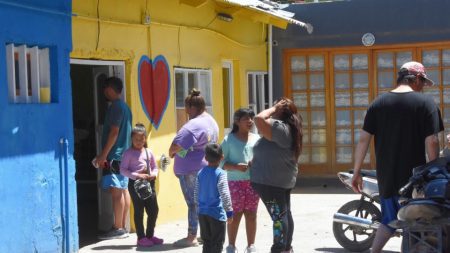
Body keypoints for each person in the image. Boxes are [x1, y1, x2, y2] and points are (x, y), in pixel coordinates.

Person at [351, 61, 443, 253]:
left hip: (387, 176)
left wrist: (357, 172)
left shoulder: (377, 103)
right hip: (414, 179)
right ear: (416, 78)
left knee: (390, 220)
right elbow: (432, 141)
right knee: (415, 222)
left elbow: (363, 140)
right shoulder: (426, 104)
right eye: (423, 82)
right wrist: (434, 172)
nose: (423, 87)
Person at [250, 98, 303, 253]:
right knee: (284, 214)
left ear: (280, 111)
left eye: (274, 110)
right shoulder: (289, 128)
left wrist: (273, 108)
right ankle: (286, 248)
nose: (270, 113)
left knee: (278, 217)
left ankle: (279, 248)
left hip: (270, 182)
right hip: (279, 181)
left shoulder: (280, 128)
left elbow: (258, 119)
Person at [169, 88, 219, 247]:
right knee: (204, 202)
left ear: (191, 107)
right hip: (207, 166)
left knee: (194, 203)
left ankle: (192, 236)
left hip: (191, 170)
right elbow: (199, 146)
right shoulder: (210, 120)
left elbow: (175, 146)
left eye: (187, 108)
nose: (186, 112)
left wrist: (173, 153)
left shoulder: (193, 125)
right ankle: (207, 234)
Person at [96, 76, 132, 240]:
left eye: (105, 88)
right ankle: (122, 226)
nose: (104, 91)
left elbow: (114, 132)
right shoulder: (125, 107)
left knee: (116, 192)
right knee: (123, 189)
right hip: (124, 155)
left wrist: (103, 155)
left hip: (115, 156)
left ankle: (118, 228)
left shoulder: (116, 107)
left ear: (110, 89)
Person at [222, 108, 260, 253]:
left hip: (253, 182)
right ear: (237, 122)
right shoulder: (228, 140)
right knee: (235, 214)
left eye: (251, 118)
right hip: (234, 183)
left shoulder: (257, 139)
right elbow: (220, 161)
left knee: (251, 214)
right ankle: (231, 246)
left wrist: (255, 162)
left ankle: (251, 246)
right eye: (246, 118)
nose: (250, 121)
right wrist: (235, 167)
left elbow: (262, 158)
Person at [120, 123, 163, 247]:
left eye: (141, 139)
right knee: (139, 211)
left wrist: (154, 174)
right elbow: (123, 170)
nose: (139, 142)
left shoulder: (149, 152)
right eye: (136, 139)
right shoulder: (128, 153)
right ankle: (141, 237)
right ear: (131, 139)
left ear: (145, 139)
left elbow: (155, 167)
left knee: (153, 210)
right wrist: (137, 175)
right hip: (136, 185)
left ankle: (150, 235)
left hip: (149, 184)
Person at [195, 143, 233, 253]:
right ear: (222, 157)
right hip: (217, 214)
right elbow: (225, 194)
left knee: (206, 242)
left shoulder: (201, 172)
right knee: (217, 244)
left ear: (205, 158)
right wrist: (229, 212)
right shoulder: (221, 174)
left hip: (203, 214)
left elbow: (196, 193)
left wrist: (199, 207)